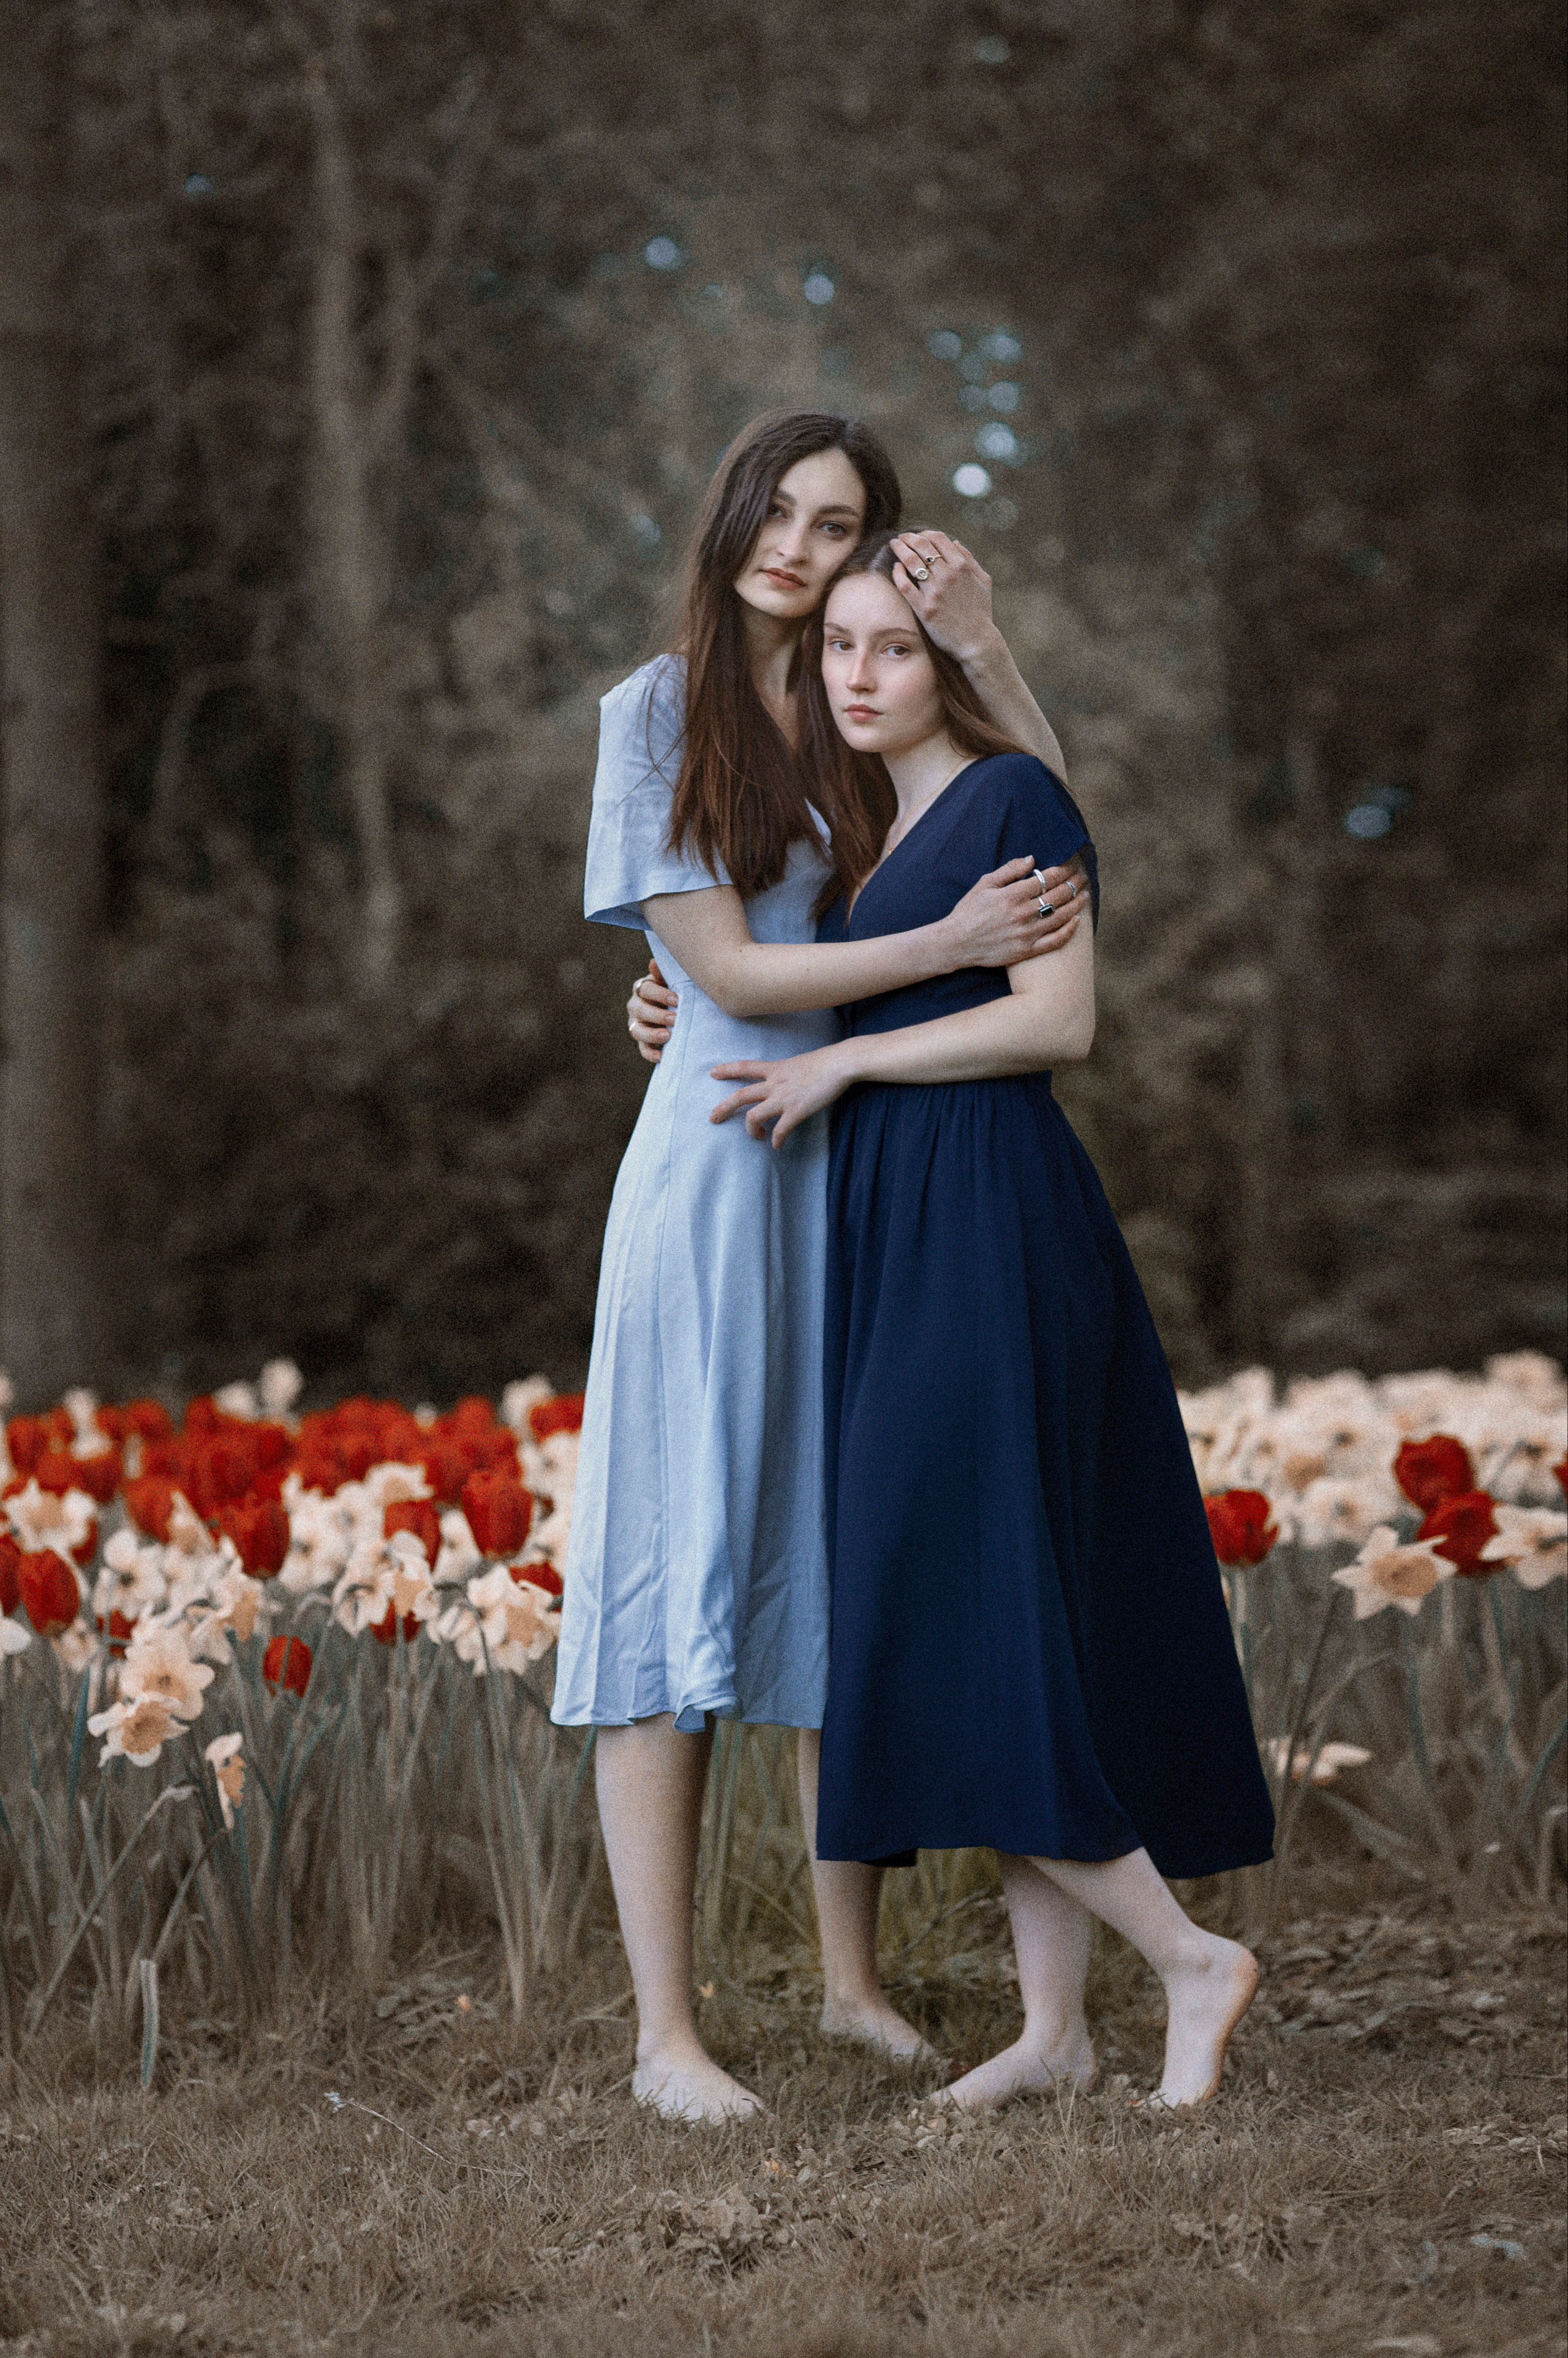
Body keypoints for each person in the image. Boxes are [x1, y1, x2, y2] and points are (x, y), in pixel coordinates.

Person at [554, 410, 1090, 2122]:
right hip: (718, 1168)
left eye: (836, 520)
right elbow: (721, 961)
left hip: (858, 1175)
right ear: (729, 518)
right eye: (777, 512)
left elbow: (1043, 827)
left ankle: (854, 1981)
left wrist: (989, 644)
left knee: (836, 1558)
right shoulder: (656, 714)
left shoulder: (871, 697)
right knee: (677, 1562)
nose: (795, 545)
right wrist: (939, 947)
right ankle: (666, 2037)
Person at [709, 534, 1275, 2112]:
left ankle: (1185, 1957)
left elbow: (1058, 1019)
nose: (859, 672)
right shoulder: (879, 831)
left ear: (947, 659)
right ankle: (1053, 2028)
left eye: (893, 645)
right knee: (1008, 1598)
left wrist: (844, 1065)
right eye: (837, 646)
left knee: (955, 1606)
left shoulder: (1009, 797)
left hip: (985, 1214)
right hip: (907, 1223)